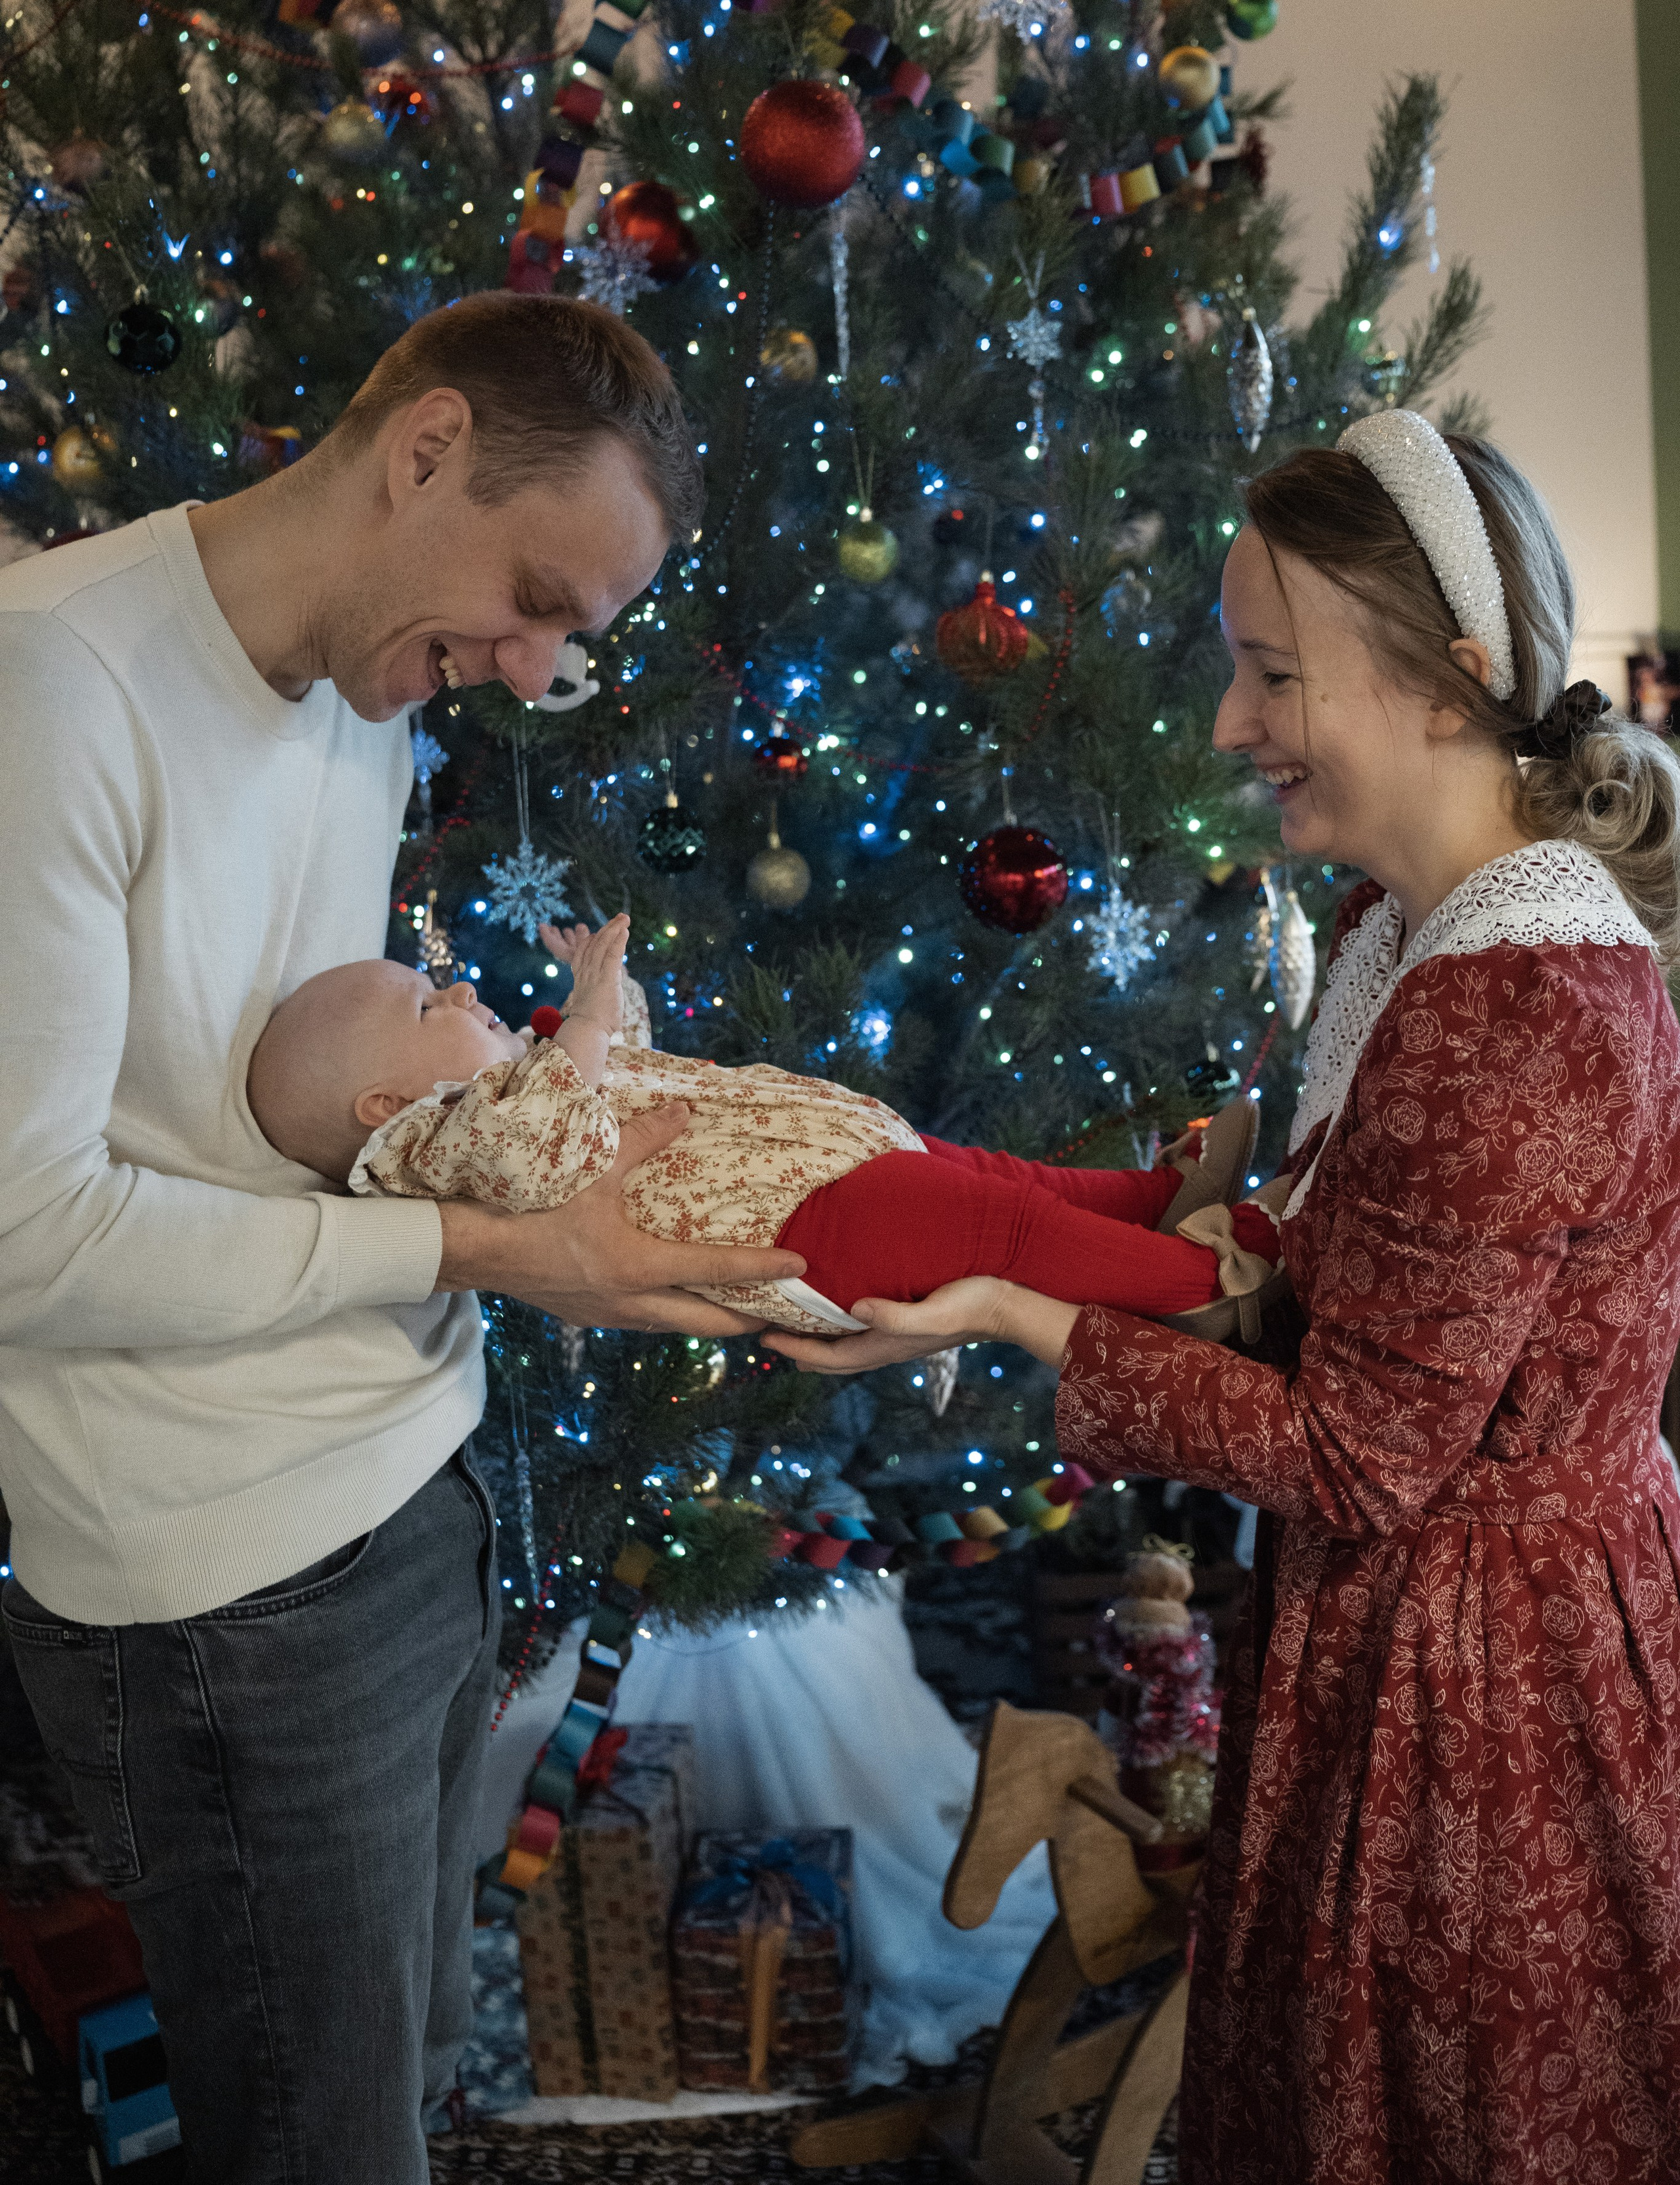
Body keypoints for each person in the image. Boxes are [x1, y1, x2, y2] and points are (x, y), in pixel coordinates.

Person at [773, 414, 1680, 2184]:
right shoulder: (1401, 931)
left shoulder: (1518, 1014)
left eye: (1273, 674)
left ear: (1451, 682)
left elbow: (1360, 1450)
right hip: (1403, 1633)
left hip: (1482, 1689)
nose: (1227, 726)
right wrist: (1019, 1225)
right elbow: (1309, 1264)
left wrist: (1012, 1314)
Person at [0, 293, 812, 2184]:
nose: (532, 674)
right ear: (424, 448)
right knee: (323, 2143)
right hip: (232, 1596)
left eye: (572, 643)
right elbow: (23, 1234)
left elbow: (324, 1121)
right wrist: (476, 1253)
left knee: (409, 2074)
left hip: (417, 1494)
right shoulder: (55, 691)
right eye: (534, 596)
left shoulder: (365, 684)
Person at [245, 914, 1287, 1341]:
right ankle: (1210, 1293)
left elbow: (620, 1074)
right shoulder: (444, 1146)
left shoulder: (506, 1080)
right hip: (807, 1225)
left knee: (999, 1183)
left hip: (816, 1162)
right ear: (384, 1110)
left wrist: (608, 1007)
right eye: (429, 1008)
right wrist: (592, 1015)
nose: (461, 986)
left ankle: (1160, 1205)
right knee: (1001, 1231)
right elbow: (543, 1150)